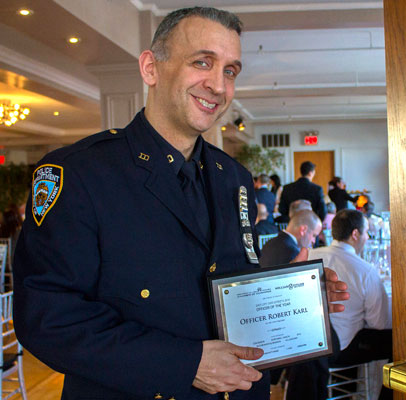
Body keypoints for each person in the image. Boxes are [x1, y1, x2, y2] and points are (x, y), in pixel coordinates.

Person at [12, 7, 348, 400]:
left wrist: (292, 292)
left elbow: (228, 278)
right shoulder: (79, 173)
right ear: (151, 68)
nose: (219, 86)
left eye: (230, 71)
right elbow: (48, 318)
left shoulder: (233, 176)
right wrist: (184, 363)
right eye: (202, 62)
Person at [308, 209, 392, 399]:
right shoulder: (365, 270)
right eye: (366, 232)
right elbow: (378, 324)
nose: (368, 237)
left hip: (307, 349)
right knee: (401, 344)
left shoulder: (309, 255)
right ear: (355, 234)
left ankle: (343, 392)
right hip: (340, 351)